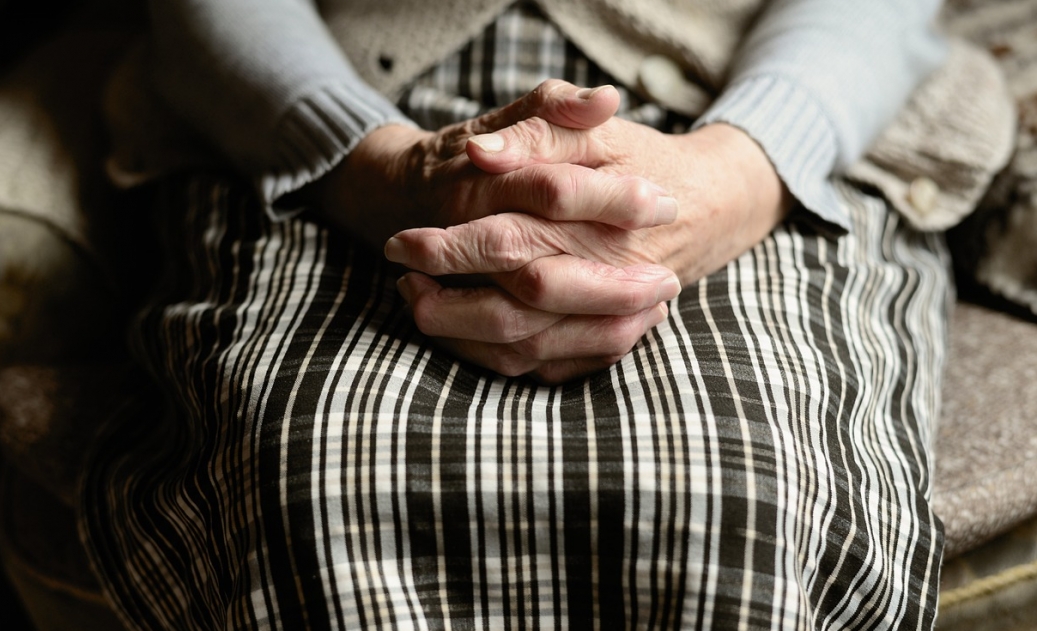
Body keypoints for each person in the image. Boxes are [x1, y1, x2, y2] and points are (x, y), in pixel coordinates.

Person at [81, 0, 1011, 629]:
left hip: (748, 116)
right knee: (313, 490)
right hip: (336, 119)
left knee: (732, 500)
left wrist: (738, 171)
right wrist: (371, 167)